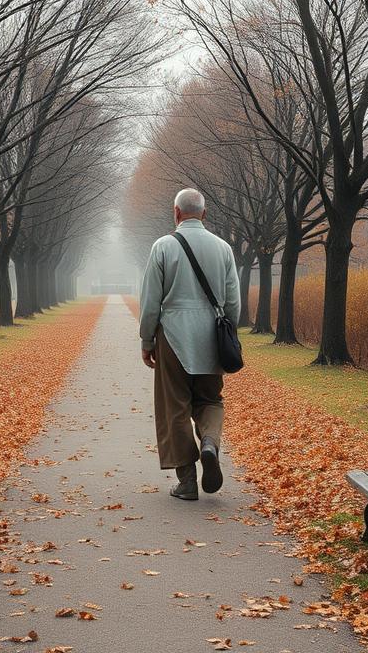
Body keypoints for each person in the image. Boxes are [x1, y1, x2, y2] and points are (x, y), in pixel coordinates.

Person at [138, 188, 241, 500]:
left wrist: (146, 338)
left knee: (175, 407)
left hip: (172, 335)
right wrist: (228, 333)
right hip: (211, 334)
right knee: (210, 399)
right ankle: (210, 442)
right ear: (205, 214)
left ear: (176, 213)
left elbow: (151, 300)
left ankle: (186, 482)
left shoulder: (163, 247)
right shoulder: (223, 248)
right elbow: (233, 302)